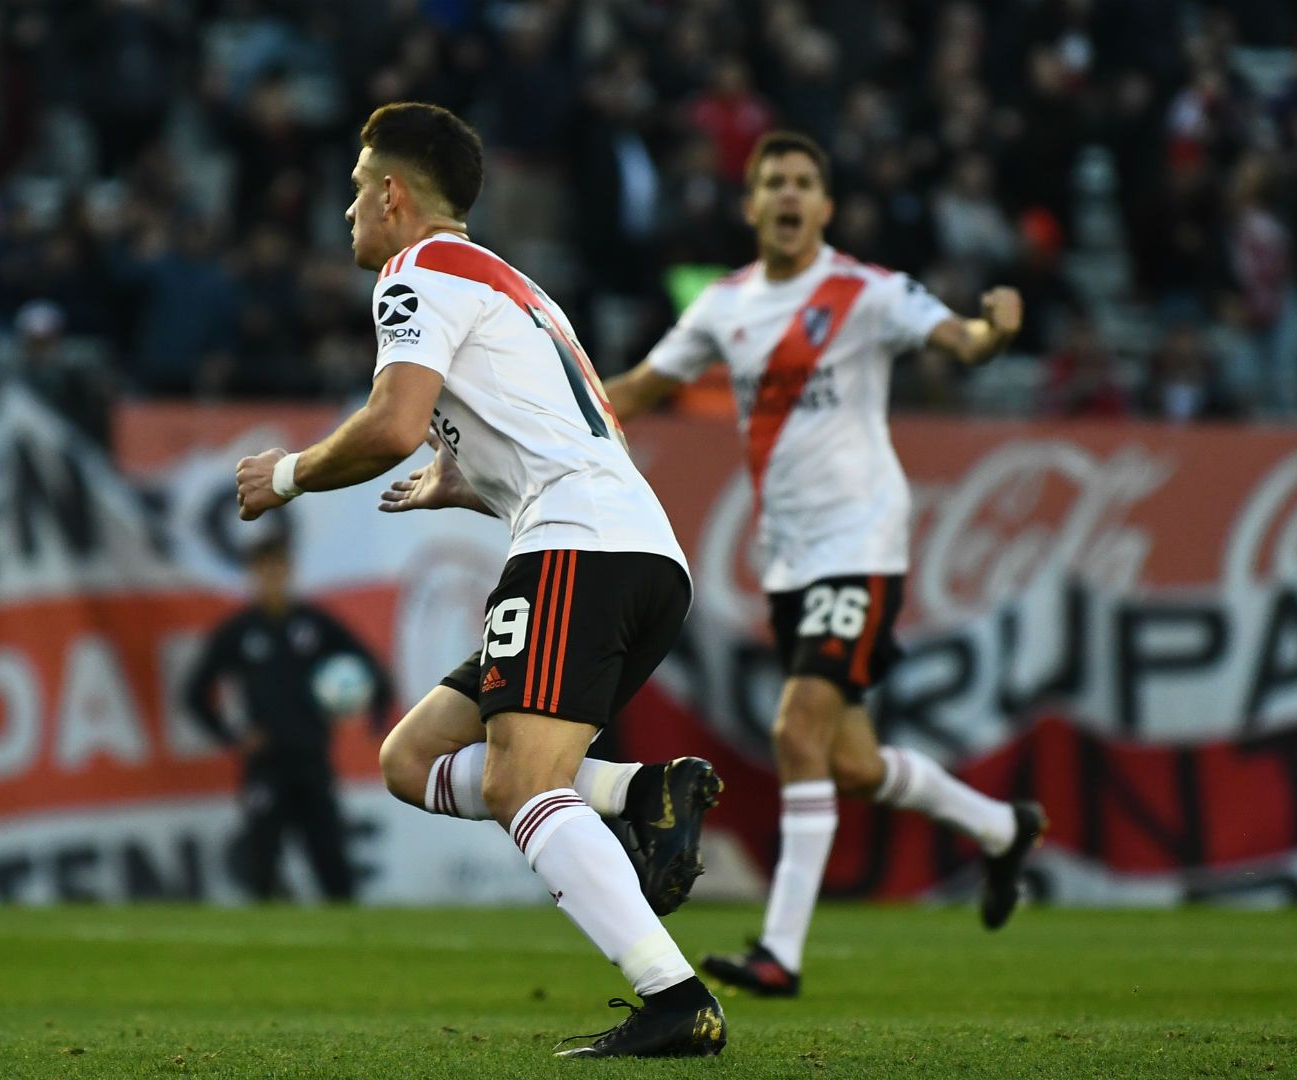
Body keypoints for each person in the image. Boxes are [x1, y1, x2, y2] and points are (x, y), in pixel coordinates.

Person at [233, 102, 727, 1059]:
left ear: (391, 193)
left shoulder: (414, 270)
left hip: (576, 549)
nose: (347, 215)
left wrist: (287, 474)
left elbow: (389, 422)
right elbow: (581, 435)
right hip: (638, 553)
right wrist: (470, 483)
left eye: (353, 193)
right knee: (410, 761)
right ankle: (640, 792)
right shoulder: (520, 286)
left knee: (518, 784)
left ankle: (674, 997)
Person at [604, 131, 1049, 998]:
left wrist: (993, 332)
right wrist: (552, 402)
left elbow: (957, 341)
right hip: (788, 559)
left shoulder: (866, 291)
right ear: (751, 204)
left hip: (862, 542)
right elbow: (640, 388)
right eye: (773, 182)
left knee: (795, 730)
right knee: (850, 761)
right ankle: (1004, 829)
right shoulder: (724, 307)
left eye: (804, 182)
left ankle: (781, 951)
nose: (788, 195)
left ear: (826, 205)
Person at [183, 536, 394, 903]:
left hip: (312, 761)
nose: (272, 578)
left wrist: (374, 718)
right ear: (252, 575)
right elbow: (194, 694)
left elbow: (372, 669)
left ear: (289, 572)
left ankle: (352, 946)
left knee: (334, 870)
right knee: (262, 869)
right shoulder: (239, 631)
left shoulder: (314, 624)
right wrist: (233, 736)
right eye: (263, 570)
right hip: (265, 766)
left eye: (278, 569)